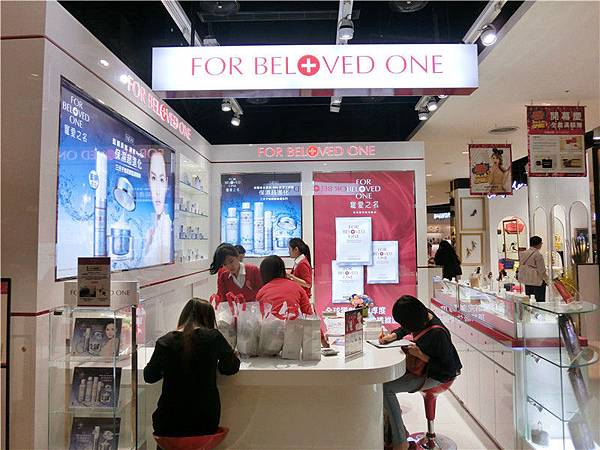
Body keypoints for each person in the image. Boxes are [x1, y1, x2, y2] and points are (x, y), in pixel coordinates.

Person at [143, 298, 240, 437]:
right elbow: (230, 367)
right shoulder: (213, 338)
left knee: (168, 441)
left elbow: (149, 376)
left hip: (168, 422)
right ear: (209, 319)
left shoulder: (165, 341)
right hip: (205, 422)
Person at [379, 296, 462, 450]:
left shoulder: (438, 333)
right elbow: (406, 328)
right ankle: (397, 433)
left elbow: (448, 369)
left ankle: (400, 442)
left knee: (386, 388)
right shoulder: (423, 316)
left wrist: (422, 356)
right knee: (383, 383)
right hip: (423, 369)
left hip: (438, 376)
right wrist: (394, 335)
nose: (405, 326)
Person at [144, 148, 172, 266]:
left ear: (166, 182)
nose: (157, 191)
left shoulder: (167, 226)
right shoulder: (148, 227)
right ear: (148, 180)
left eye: (161, 179)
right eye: (153, 178)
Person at [517, 236, 549, 302]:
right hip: (537, 282)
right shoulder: (538, 255)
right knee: (539, 301)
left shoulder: (523, 253)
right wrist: (547, 280)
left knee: (529, 300)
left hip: (527, 280)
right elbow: (541, 270)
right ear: (538, 244)